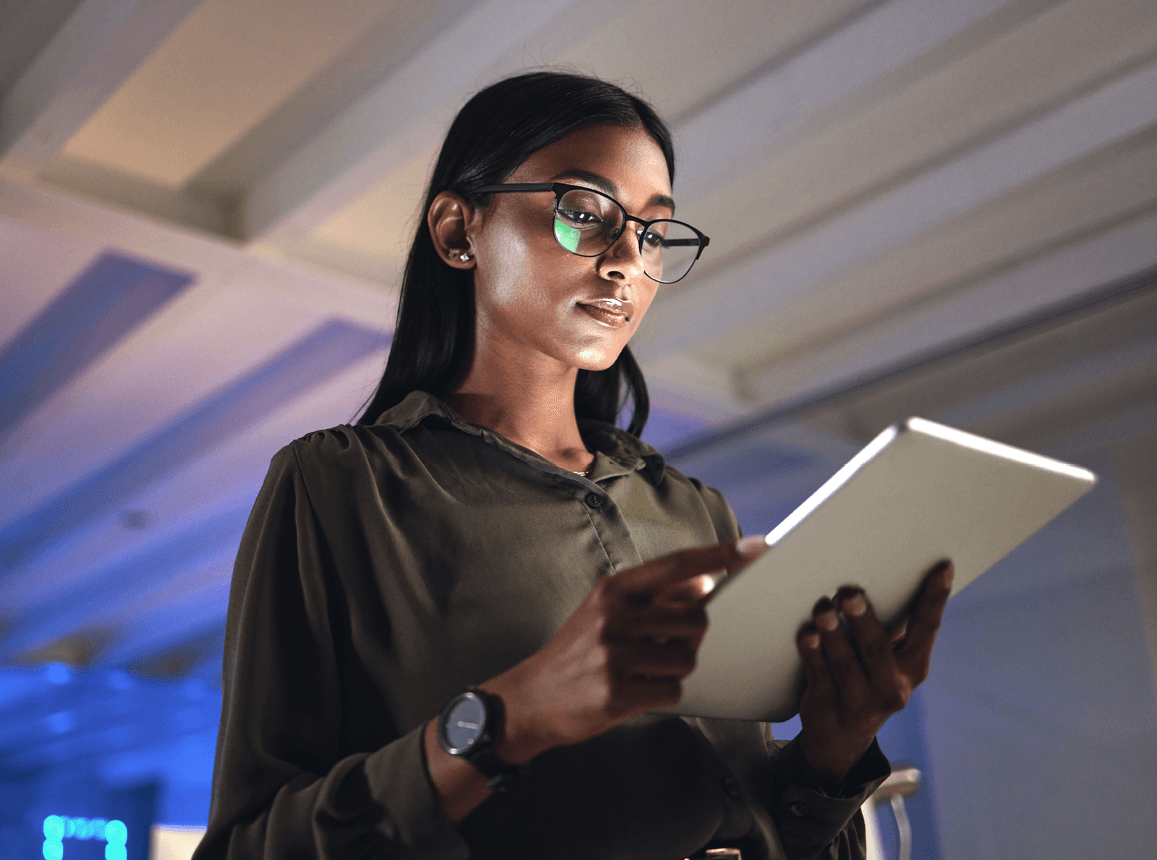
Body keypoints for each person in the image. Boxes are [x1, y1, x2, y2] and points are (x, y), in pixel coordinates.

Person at [193, 71, 951, 860]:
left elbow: (760, 831)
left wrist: (830, 755)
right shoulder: (341, 488)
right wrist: (511, 715)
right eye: (585, 214)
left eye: (654, 233)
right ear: (459, 232)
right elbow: (249, 847)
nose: (627, 259)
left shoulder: (696, 513)